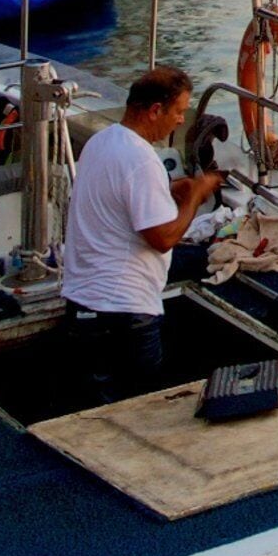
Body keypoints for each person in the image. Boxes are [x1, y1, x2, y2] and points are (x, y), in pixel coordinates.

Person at [62, 65, 223, 405]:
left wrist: (169, 188)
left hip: (82, 304)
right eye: (178, 111)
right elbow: (163, 239)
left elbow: (120, 194)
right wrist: (195, 196)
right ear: (155, 111)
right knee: (141, 409)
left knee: (96, 409)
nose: (181, 120)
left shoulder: (101, 142)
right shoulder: (142, 160)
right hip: (124, 312)